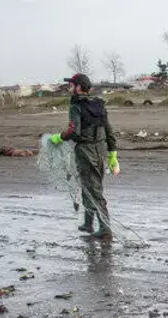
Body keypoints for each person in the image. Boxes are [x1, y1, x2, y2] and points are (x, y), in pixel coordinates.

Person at [48, 74, 119, 239]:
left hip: (86, 151)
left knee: (93, 189)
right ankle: (88, 223)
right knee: (89, 185)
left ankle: (105, 229)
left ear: (79, 87)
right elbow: (109, 131)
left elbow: (74, 132)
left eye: (72, 85)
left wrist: (59, 137)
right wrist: (112, 154)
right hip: (100, 149)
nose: (70, 88)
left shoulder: (76, 105)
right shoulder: (99, 104)